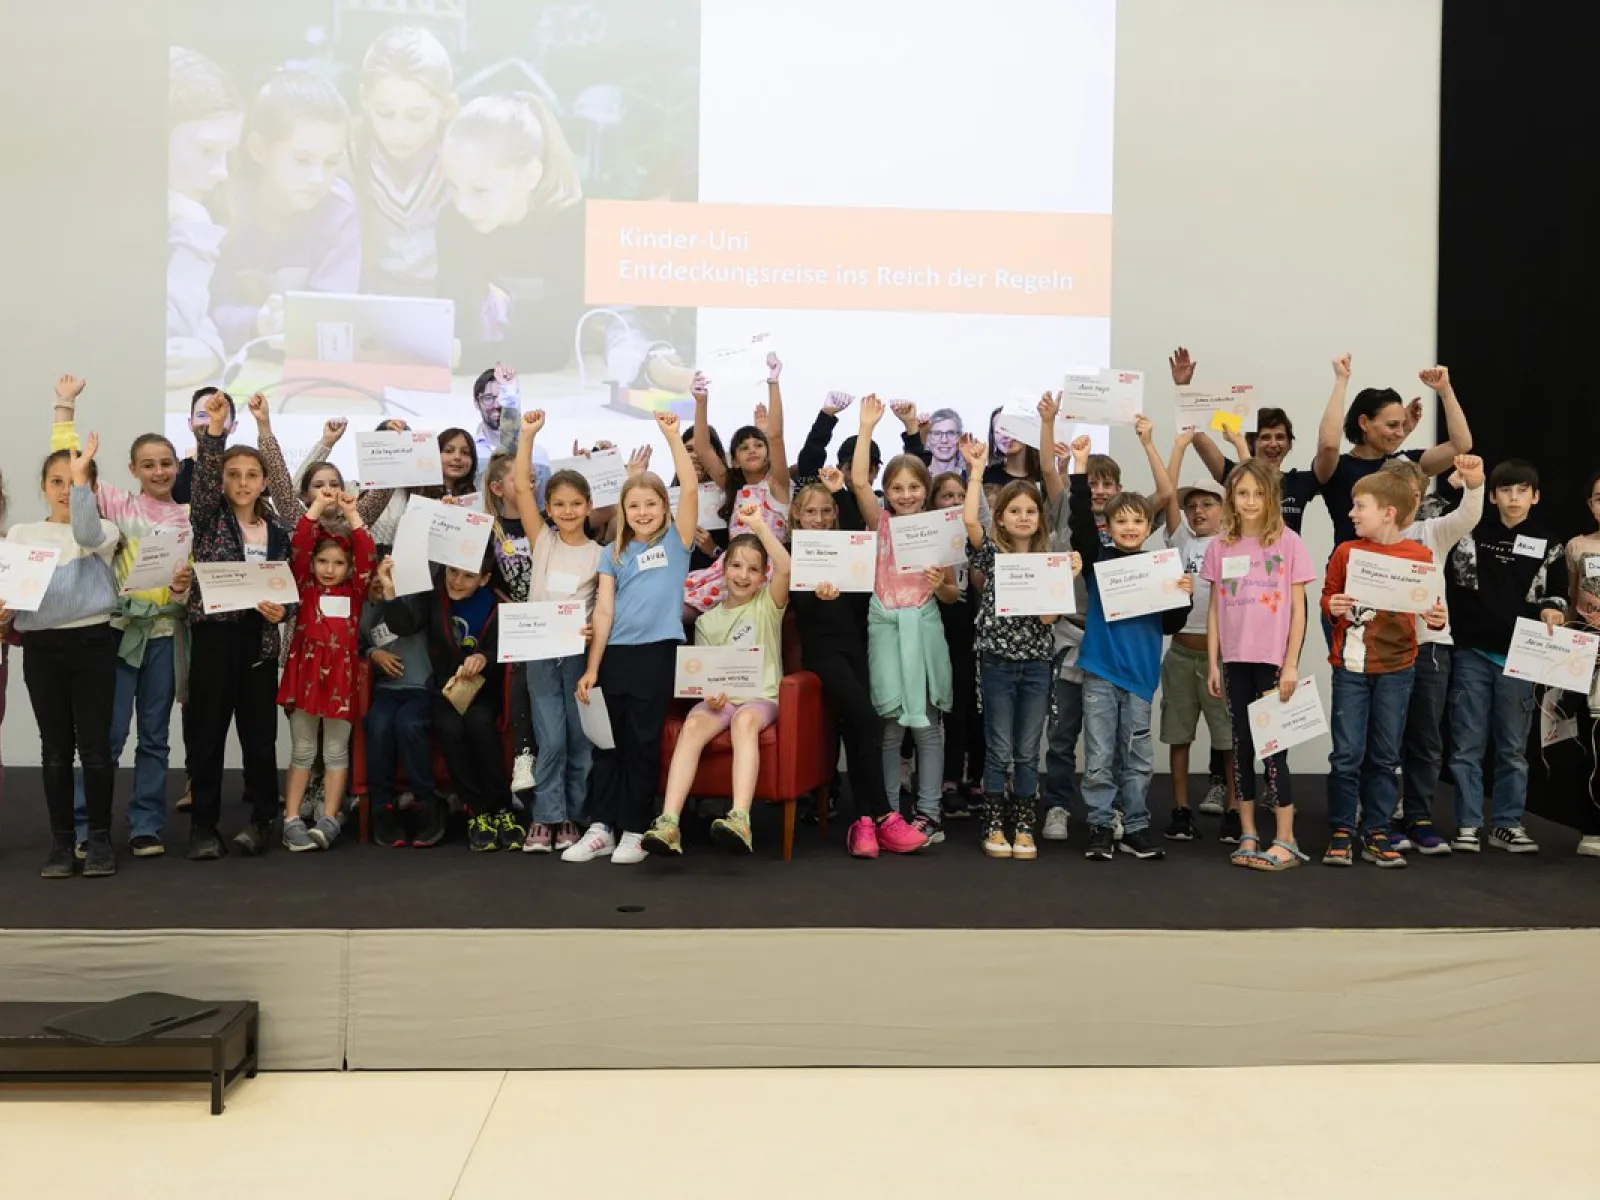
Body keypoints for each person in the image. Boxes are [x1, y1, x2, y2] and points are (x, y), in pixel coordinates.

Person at [51, 375, 191, 857]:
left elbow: (192, 578)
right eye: (148, 465)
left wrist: (185, 587)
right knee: (106, 737)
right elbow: (75, 467)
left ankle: (146, 824)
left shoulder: (190, 517)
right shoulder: (120, 506)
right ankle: (89, 825)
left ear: (177, 467)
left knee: (154, 737)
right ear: (133, 469)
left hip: (166, 636)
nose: (159, 471)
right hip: (119, 635)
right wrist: (64, 408)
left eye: (166, 463)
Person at [570, 411, 700, 865]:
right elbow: (603, 610)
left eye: (651, 504)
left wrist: (671, 438)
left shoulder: (677, 542)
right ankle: (601, 827)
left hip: (657, 654)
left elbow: (691, 485)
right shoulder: (612, 552)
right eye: (634, 506)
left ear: (665, 507)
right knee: (607, 743)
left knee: (642, 742)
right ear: (622, 511)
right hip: (614, 657)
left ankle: (634, 827)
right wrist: (591, 667)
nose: (643, 512)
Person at [1066, 430, 1191, 862]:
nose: (1131, 527)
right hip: (1100, 672)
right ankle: (1101, 825)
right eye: (1122, 521)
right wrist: (1079, 469)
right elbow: (1080, 520)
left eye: (1138, 520)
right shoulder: (1099, 559)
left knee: (1137, 758)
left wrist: (1183, 593)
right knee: (1099, 756)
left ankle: (1135, 825)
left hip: (1140, 677)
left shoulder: (1160, 567)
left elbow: (1173, 623)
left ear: (1147, 526)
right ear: (1111, 526)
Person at [786, 480, 929, 857]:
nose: (819, 518)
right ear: (797, 515)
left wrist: (842, 495)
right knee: (866, 719)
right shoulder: (792, 550)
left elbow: (861, 598)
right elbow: (799, 607)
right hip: (822, 654)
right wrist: (817, 597)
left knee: (861, 726)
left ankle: (864, 823)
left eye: (826, 511)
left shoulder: (849, 548)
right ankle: (884, 815)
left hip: (857, 648)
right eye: (811, 511)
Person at [1, 437, 122, 878]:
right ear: (42, 486)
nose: (64, 490)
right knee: (54, 751)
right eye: (57, 481)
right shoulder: (22, 535)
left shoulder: (102, 532)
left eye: (74, 483)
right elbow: (13, 594)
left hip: (92, 644)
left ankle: (101, 840)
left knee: (94, 751)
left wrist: (82, 478)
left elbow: (85, 533)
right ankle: (61, 842)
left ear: (89, 488)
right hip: (42, 649)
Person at [644, 505, 791, 856]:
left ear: (763, 576)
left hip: (760, 698)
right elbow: (707, 677)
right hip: (722, 700)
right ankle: (669, 823)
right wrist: (709, 698)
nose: (743, 575)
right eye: (736, 566)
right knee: (693, 726)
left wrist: (757, 525)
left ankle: (740, 817)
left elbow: (785, 566)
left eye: (753, 570)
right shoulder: (707, 623)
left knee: (744, 721)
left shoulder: (768, 605)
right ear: (723, 571)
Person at [185, 392, 295, 860]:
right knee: (207, 735)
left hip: (257, 642)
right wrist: (214, 431)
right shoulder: (209, 519)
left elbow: (287, 591)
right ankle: (204, 828)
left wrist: (282, 612)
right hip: (213, 638)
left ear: (264, 482)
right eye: (233, 475)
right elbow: (208, 475)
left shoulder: (276, 530)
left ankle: (261, 820)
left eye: (252, 475)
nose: (242, 482)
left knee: (259, 738)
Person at [960, 434, 1077, 860]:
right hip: (996, 664)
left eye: (1031, 511)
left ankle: (1024, 825)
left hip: (1036, 667)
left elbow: (1048, 619)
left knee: (1028, 751)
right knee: (999, 750)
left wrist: (1064, 578)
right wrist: (975, 473)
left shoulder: (1050, 559)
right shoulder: (992, 556)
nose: (1024, 517)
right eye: (1015, 511)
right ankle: (994, 823)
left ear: (1040, 519)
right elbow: (971, 523)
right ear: (1002, 519)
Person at [1443, 459, 1569, 854]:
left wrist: (1553, 609)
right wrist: (1455, 487)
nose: (1513, 498)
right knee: (1466, 744)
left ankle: (1507, 823)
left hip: (1520, 656)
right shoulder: (1470, 528)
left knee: (1513, 747)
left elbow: (1556, 592)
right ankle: (1466, 824)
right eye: (1506, 491)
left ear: (1535, 496)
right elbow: (1429, 518)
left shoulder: (1549, 543)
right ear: (1493, 495)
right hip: (1471, 652)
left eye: (1521, 491)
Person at [1321, 473, 1447, 868]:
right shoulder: (1345, 552)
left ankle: (1376, 831)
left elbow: (1431, 610)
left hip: (1398, 669)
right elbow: (1328, 597)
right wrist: (1333, 606)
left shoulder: (1420, 557)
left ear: (1388, 513)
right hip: (1351, 668)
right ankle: (1342, 831)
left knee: (1384, 755)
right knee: (1346, 754)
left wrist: (1439, 619)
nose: (1352, 512)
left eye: (1360, 506)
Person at [851, 395, 958, 843]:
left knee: (930, 725)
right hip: (884, 627)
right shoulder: (882, 523)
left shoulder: (940, 528)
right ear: (888, 494)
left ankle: (928, 812)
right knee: (890, 726)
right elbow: (858, 482)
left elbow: (953, 594)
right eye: (898, 488)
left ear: (926, 490)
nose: (907, 495)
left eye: (915, 487)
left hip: (926, 625)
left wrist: (939, 584)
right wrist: (866, 427)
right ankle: (890, 815)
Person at [1201, 461, 1317, 869]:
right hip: (1234, 661)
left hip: (1272, 663)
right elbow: (1216, 610)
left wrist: (1290, 665)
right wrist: (1214, 663)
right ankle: (1249, 832)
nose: (1249, 501)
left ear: (1271, 497)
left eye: (1257, 493)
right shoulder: (1220, 545)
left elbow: (1299, 612)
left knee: (1274, 751)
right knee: (1241, 747)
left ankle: (1286, 838)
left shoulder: (1288, 543)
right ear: (1232, 497)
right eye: (1242, 493)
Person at [212, 71, 360, 357]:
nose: (318, 178)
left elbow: (332, 312)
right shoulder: (225, 201)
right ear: (259, 149)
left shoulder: (340, 209)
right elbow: (204, 307)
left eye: (330, 163)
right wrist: (255, 324)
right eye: (302, 160)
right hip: (231, 358)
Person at [436, 94, 587, 371]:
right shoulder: (452, 223)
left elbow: (554, 347)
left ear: (530, 176)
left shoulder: (567, 226)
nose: (462, 206)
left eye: (480, 190)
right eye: (453, 187)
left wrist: (466, 357)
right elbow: (451, 323)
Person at [380, 548, 515, 852]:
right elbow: (403, 625)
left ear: (484, 579)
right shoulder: (435, 598)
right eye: (453, 571)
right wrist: (389, 590)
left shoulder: (497, 603)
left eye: (468, 576)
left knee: (480, 724)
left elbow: (507, 646)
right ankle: (477, 811)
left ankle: (501, 808)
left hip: (484, 690)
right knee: (449, 728)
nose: (456, 580)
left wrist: (484, 656)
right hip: (446, 691)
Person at [1384, 454, 1485, 855]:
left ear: (1420, 495)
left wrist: (1475, 485)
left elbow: (1468, 517)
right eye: (1393, 491)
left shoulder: (1432, 532)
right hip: (1385, 650)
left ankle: (1419, 816)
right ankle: (1383, 815)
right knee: (1387, 739)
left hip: (1431, 648)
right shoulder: (1372, 536)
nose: (1403, 499)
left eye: (1411, 492)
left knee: (1426, 738)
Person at [513, 411, 603, 853]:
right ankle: (546, 816)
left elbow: (603, 609)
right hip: (538, 654)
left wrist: (588, 630)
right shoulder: (543, 541)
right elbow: (520, 487)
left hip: (577, 656)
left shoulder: (600, 555)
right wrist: (528, 436)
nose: (567, 511)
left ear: (588, 507)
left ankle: (574, 814)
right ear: (549, 510)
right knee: (549, 737)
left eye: (576, 503)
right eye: (559, 504)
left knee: (577, 739)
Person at [278, 494, 375, 851]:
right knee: (303, 750)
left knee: (336, 751)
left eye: (338, 563)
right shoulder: (304, 585)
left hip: (340, 681)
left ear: (349, 568)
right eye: (323, 561)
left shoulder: (356, 590)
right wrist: (317, 506)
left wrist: (351, 512)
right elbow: (300, 543)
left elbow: (367, 553)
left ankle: (329, 818)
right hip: (305, 678)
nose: (329, 569)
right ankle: (291, 819)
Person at [1158, 438, 1237, 845]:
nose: (1198, 511)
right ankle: (1181, 810)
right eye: (1193, 506)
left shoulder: (1237, 546)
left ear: (1225, 510)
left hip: (1222, 658)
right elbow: (1168, 492)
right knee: (1178, 735)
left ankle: (1235, 812)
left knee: (1228, 741)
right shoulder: (1181, 540)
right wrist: (1177, 447)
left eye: (1208, 504)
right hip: (1181, 655)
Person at [1314, 357, 1473, 547]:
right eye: (1392, 425)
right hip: (1352, 569)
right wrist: (1341, 380)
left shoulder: (1404, 463)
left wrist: (1445, 391)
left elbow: (1460, 445)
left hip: (1397, 570)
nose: (1400, 432)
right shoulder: (1337, 468)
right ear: (1364, 423)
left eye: (1402, 424)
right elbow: (1328, 445)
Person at [1169, 346, 1323, 535]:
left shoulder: (1300, 482)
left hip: (1285, 561)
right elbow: (1195, 433)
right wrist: (1183, 389)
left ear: (1289, 444)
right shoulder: (1233, 474)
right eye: (1265, 437)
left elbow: (1330, 456)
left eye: (1280, 437)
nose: (1273, 444)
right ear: (1252, 443)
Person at [352, 25, 458, 295]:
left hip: (449, 311)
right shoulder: (343, 156)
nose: (398, 132)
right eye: (385, 113)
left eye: (416, 116)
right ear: (365, 98)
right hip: (366, 310)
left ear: (447, 107)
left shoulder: (464, 163)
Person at [684, 360, 791, 613]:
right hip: (728, 568)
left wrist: (773, 384)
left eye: (758, 445)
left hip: (762, 573)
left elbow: (775, 436)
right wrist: (701, 403)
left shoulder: (778, 486)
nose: (752, 450)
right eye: (743, 447)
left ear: (767, 452)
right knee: (677, 608)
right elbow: (702, 447)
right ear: (734, 458)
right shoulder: (733, 487)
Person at [167, 46, 243, 389]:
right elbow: (169, 334)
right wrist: (194, 226)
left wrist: (211, 352)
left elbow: (198, 319)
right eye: (206, 150)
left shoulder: (184, 210)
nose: (222, 171)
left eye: (227, 153)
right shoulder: (190, 216)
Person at [359, 564, 442, 848]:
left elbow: (404, 623)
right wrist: (373, 653)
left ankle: (427, 802)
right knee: (379, 724)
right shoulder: (364, 610)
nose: (381, 588)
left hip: (419, 689)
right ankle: (382, 808)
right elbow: (355, 644)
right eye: (376, 583)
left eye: (386, 582)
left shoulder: (414, 601)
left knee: (409, 723)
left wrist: (392, 594)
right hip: (385, 691)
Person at [983, 406, 1042, 487]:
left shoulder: (1044, 477)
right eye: (999, 430)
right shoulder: (985, 476)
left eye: (1011, 427)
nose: (1006, 435)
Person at [926, 408, 964, 475]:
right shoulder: (917, 479)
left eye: (951, 433)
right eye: (937, 433)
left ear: (960, 438)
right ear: (928, 440)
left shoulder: (971, 479)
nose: (944, 440)